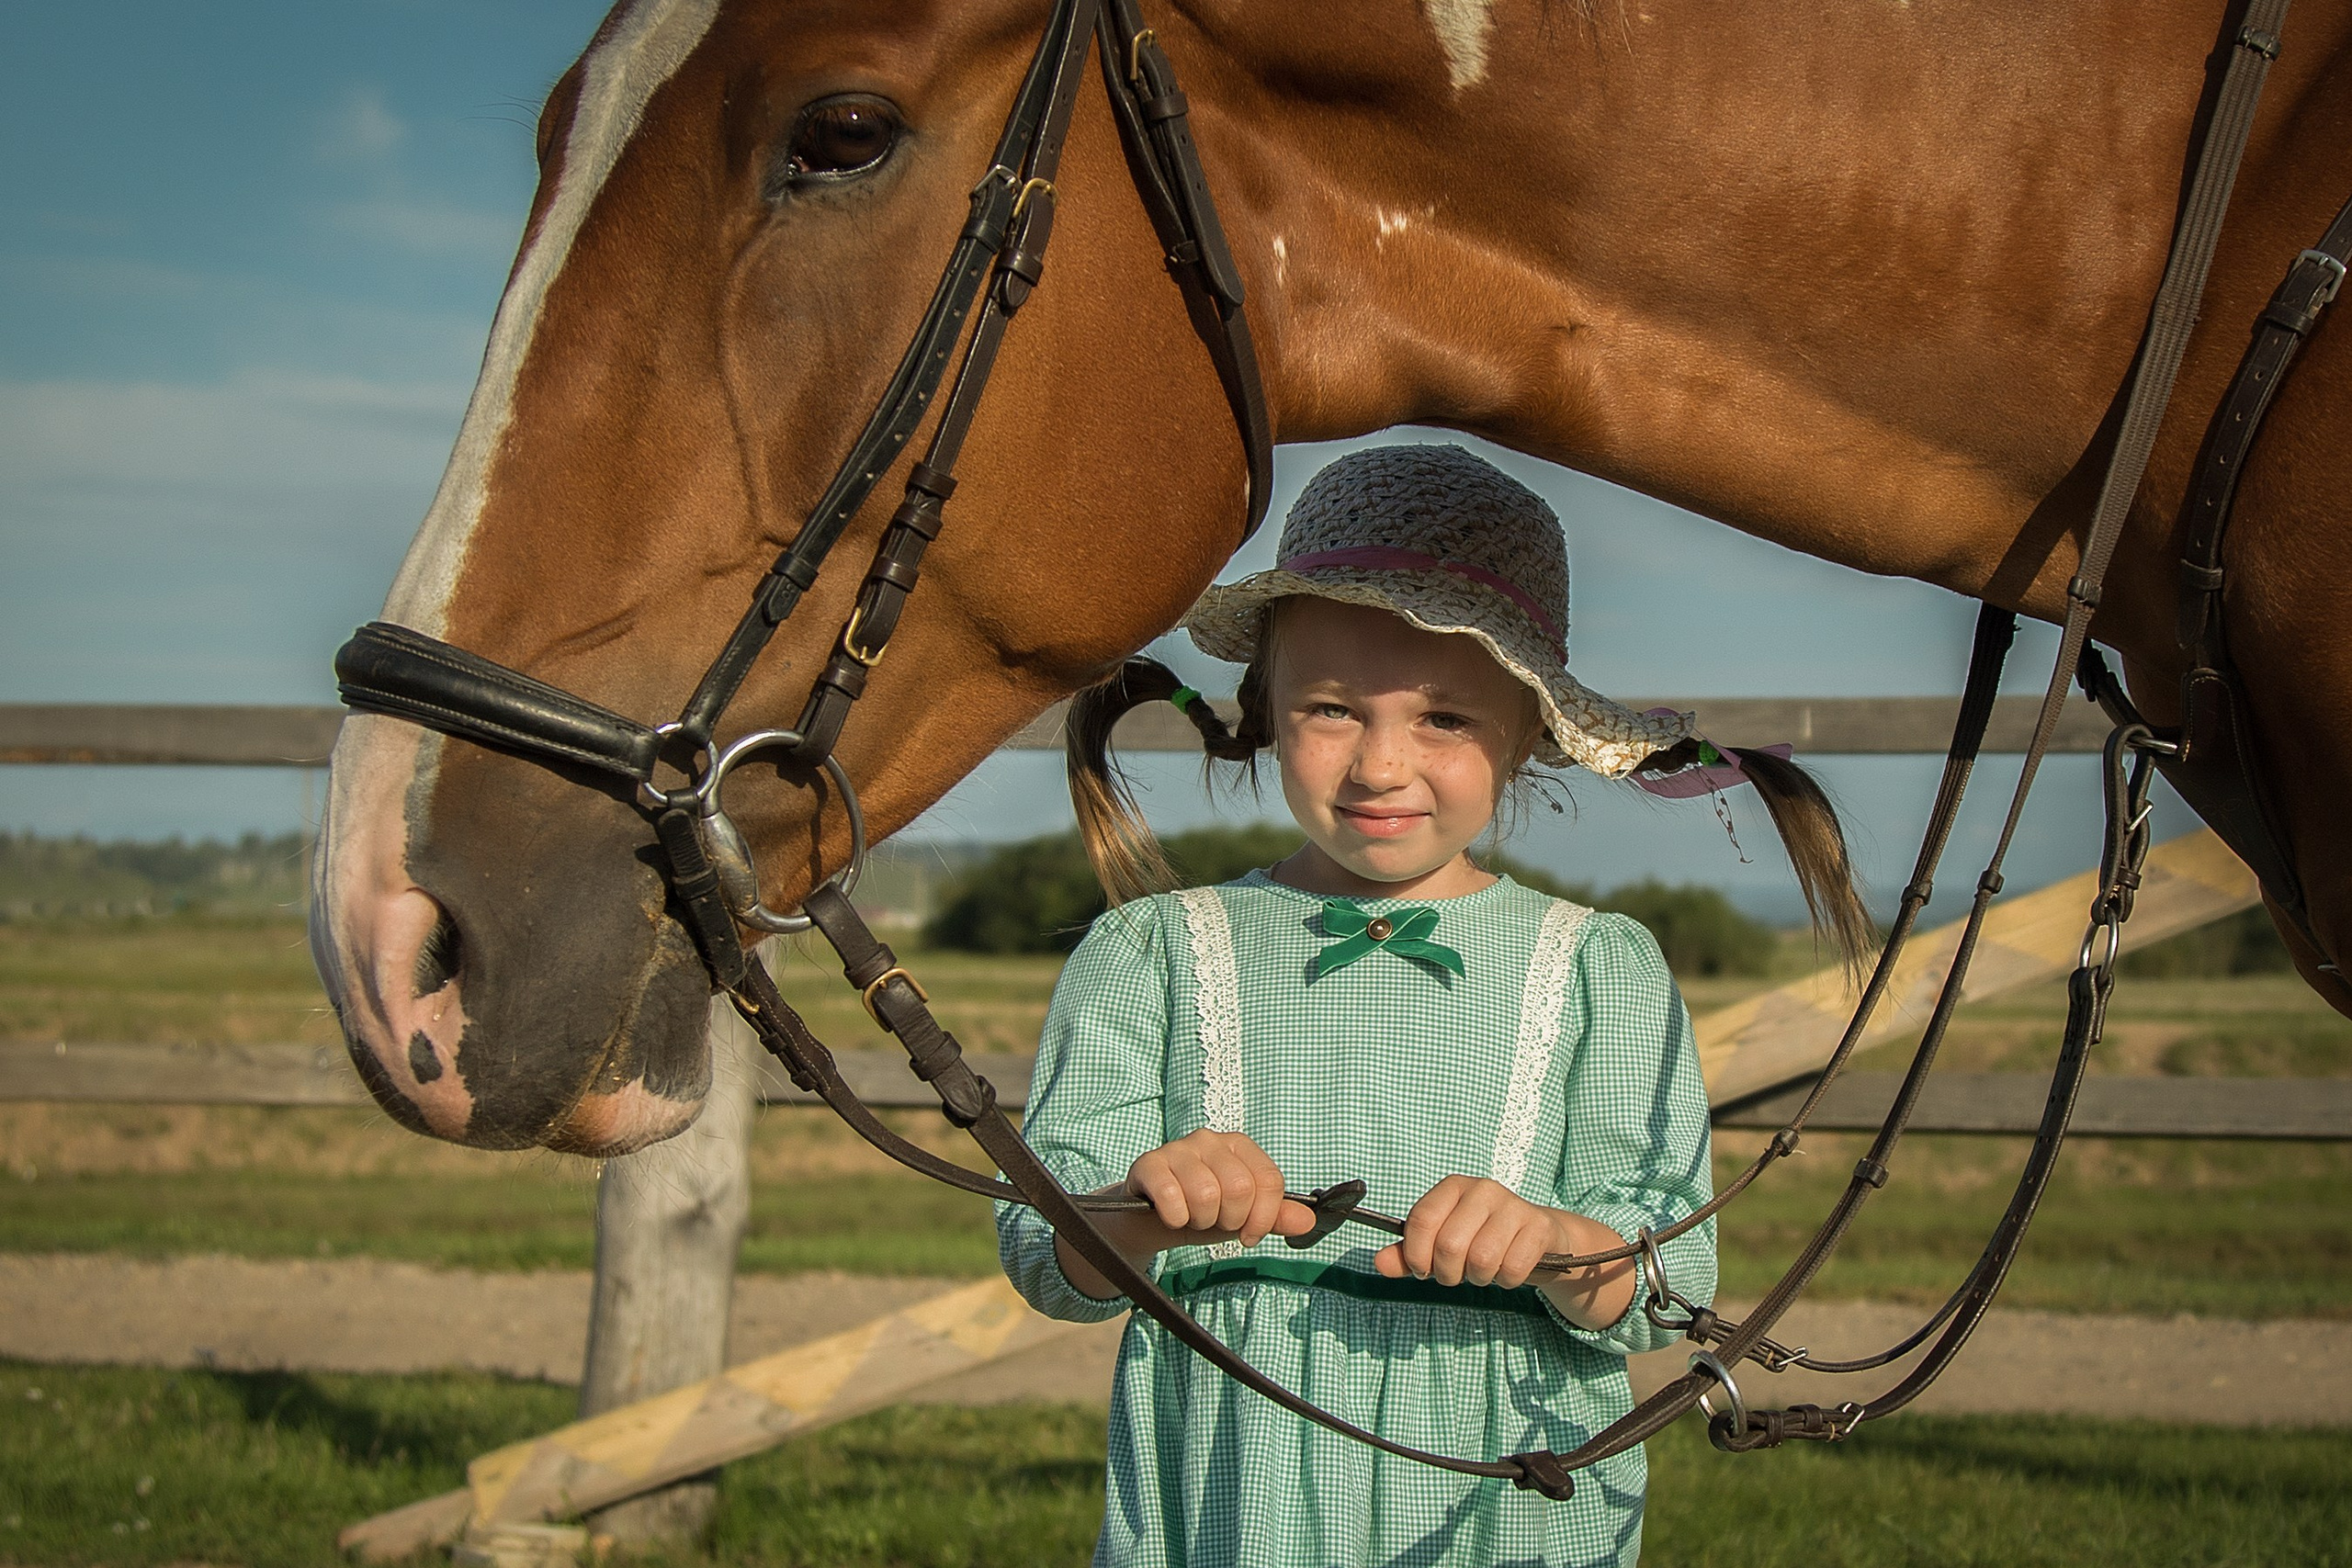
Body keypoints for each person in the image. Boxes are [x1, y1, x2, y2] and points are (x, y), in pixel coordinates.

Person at [998, 444, 1869, 1567]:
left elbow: (1668, 1288)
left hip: (1499, 1482)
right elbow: (1041, 1249)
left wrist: (1553, 1240)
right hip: (1230, 1471)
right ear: (1265, 709)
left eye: (1445, 719)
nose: (1379, 766)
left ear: (1528, 733)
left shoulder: (1599, 966)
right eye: (1329, 707)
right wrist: (1144, 1209)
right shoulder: (1153, 950)